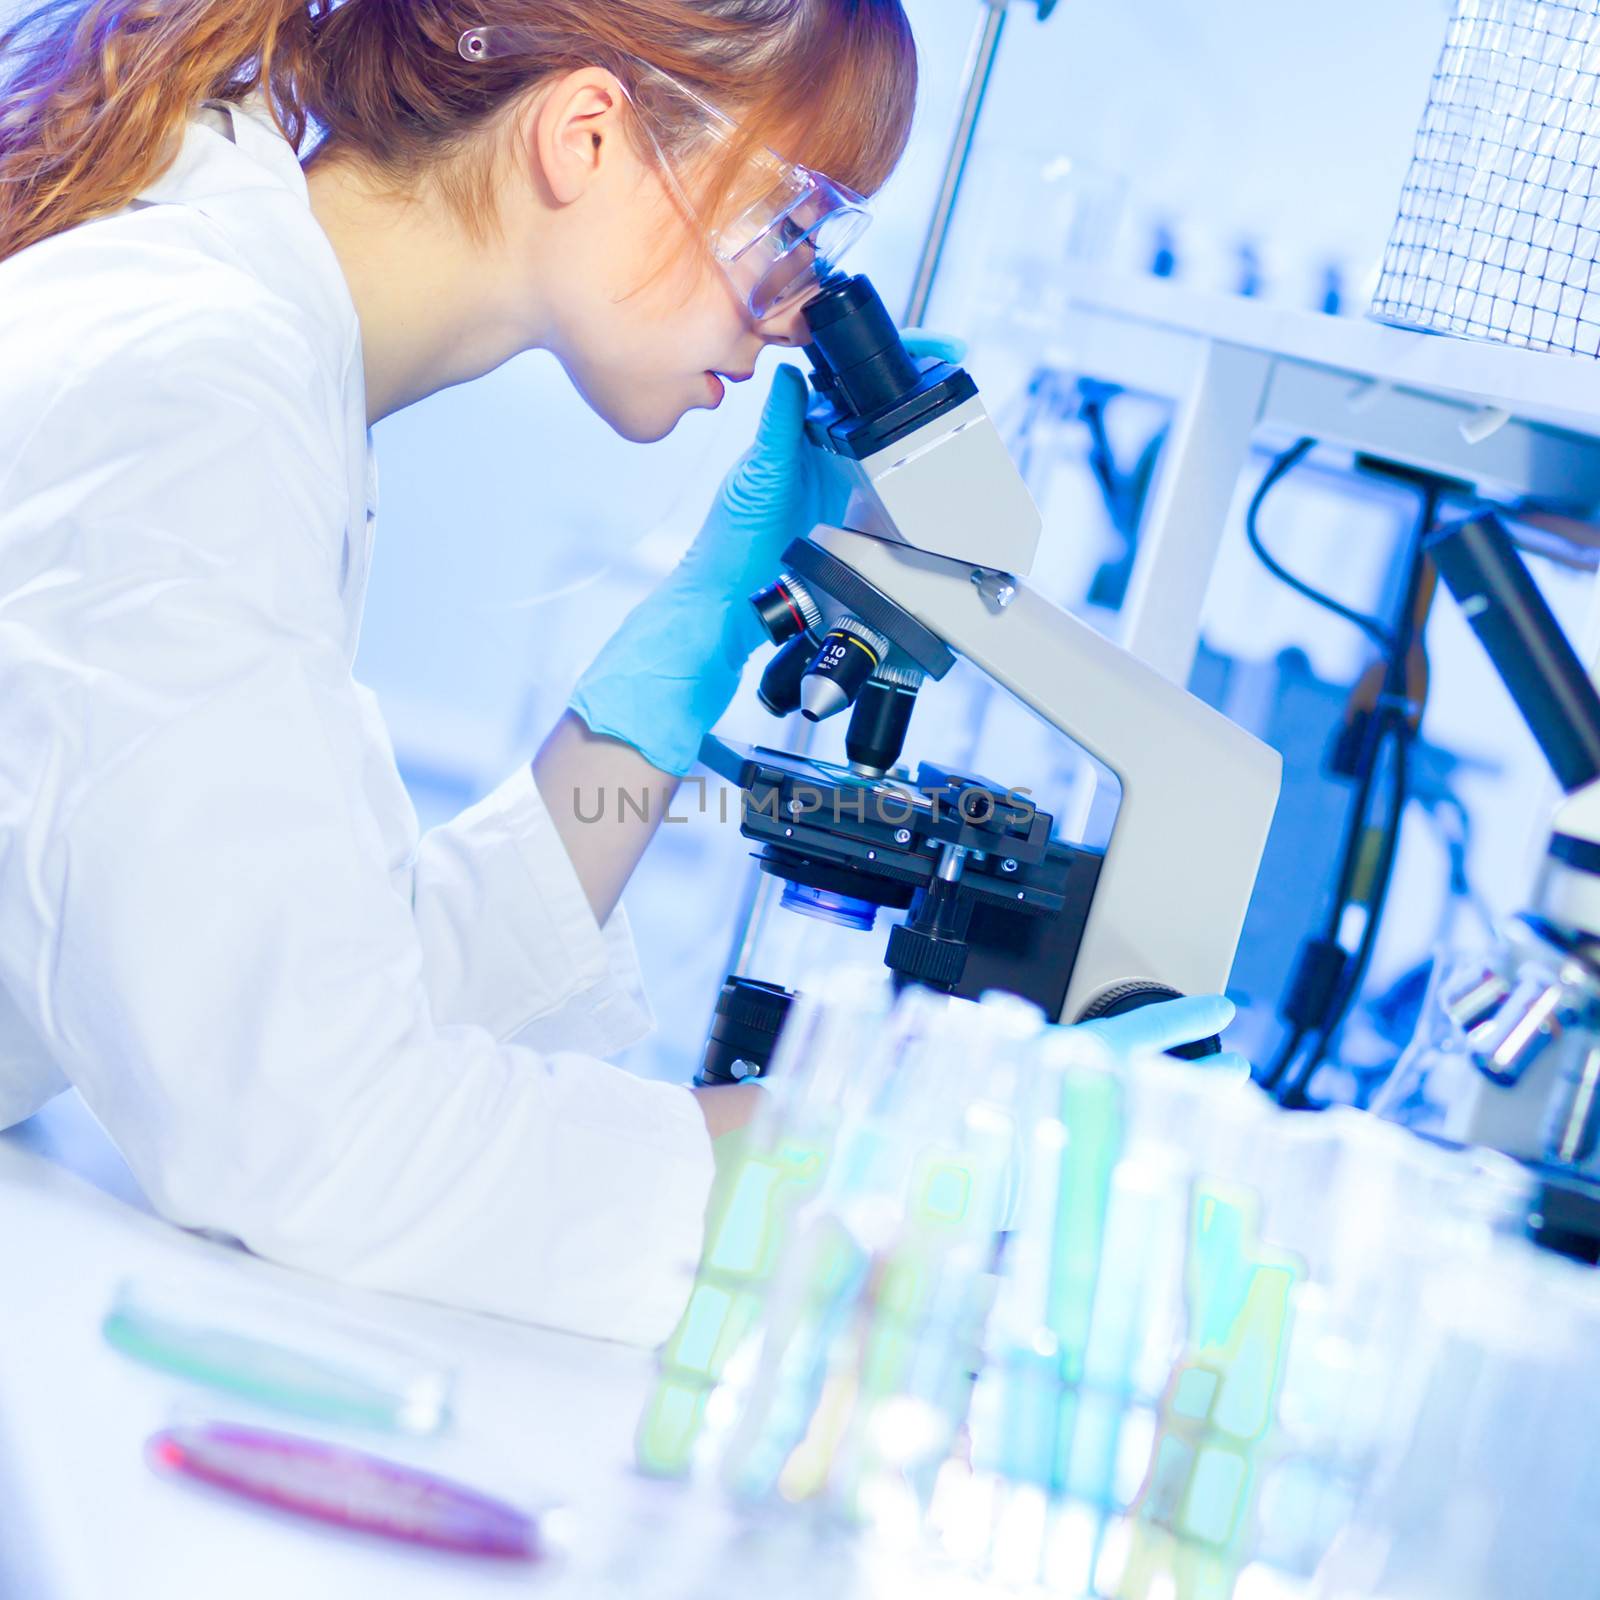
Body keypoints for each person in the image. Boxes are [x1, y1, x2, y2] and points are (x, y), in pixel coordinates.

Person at [0, 0, 1235, 1345]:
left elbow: (330, 987)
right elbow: (321, 1136)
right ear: (586, 136)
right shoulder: (203, 400)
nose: (789, 316)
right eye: (790, 223)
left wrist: (692, 644)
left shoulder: (252, 361)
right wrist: (879, 1173)